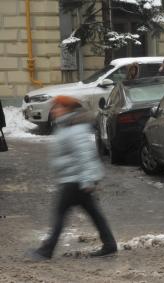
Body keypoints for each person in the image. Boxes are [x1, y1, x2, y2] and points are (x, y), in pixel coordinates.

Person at [29, 96, 117, 260]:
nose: (54, 110)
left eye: (57, 107)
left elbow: (84, 155)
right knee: (94, 213)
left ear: (67, 108)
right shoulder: (67, 126)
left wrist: (86, 180)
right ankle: (110, 244)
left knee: (60, 214)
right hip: (74, 179)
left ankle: (46, 250)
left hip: (75, 180)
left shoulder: (75, 129)